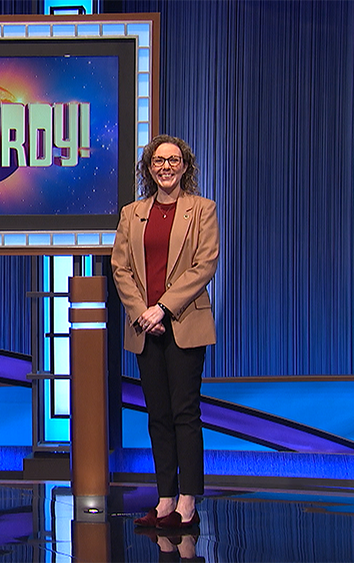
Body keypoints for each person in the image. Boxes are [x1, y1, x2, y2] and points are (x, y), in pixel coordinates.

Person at [110, 135, 219, 529]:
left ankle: (188, 503)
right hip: (146, 328)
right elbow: (120, 267)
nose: (166, 167)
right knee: (157, 416)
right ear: (149, 168)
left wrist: (163, 308)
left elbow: (204, 265)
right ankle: (165, 499)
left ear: (185, 166)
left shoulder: (202, 210)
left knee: (184, 413)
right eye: (158, 161)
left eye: (173, 160)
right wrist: (142, 312)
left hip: (184, 323)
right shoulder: (131, 213)